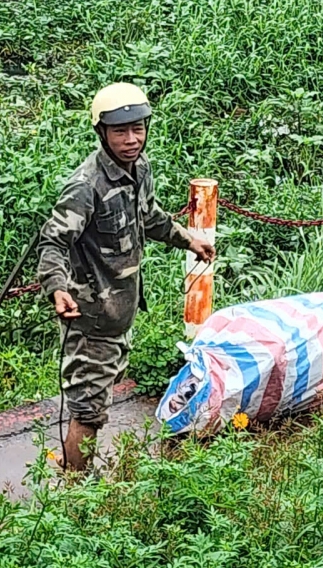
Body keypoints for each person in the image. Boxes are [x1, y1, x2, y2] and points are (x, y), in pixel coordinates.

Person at [36, 82, 215, 473]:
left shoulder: (140, 168)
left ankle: (77, 483)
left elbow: (148, 216)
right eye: (120, 131)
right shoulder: (86, 186)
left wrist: (188, 240)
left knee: (98, 399)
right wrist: (58, 288)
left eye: (138, 128)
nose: (132, 139)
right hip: (91, 318)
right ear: (102, 133)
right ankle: (73, 495)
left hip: (122, 309)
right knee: (88, 410)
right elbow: (52, 240)